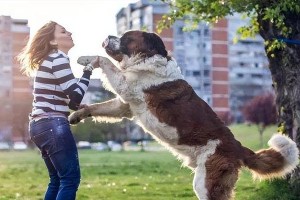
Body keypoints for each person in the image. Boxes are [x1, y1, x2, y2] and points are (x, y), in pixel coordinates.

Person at [18, 21, 99, 200]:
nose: (70, 32)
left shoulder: (50, 60)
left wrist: (77, 107)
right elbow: (75, 96)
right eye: (63, 31)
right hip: (53, 125)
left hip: (40, 125)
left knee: (56, 180)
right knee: (69, 179)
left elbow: (71, 101)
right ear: (53, 42)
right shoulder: (58, 58)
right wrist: (89, 69)